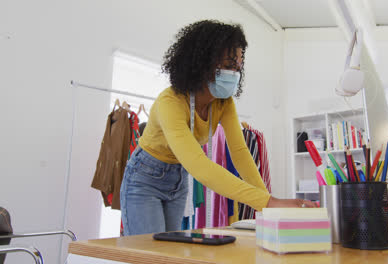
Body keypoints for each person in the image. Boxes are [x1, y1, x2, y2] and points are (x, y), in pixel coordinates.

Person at [120, 20, 316, 236]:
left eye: (238, 67)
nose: (235, 73)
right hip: (145, 178)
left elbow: (241, 154)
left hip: (178, 179)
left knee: (167, 252)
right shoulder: (171, 101)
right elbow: (200, 167)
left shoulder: (224, 103)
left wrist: (268, 205)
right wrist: (269, 202)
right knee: (148, 254)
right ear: (204, 63)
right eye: (228, 66)